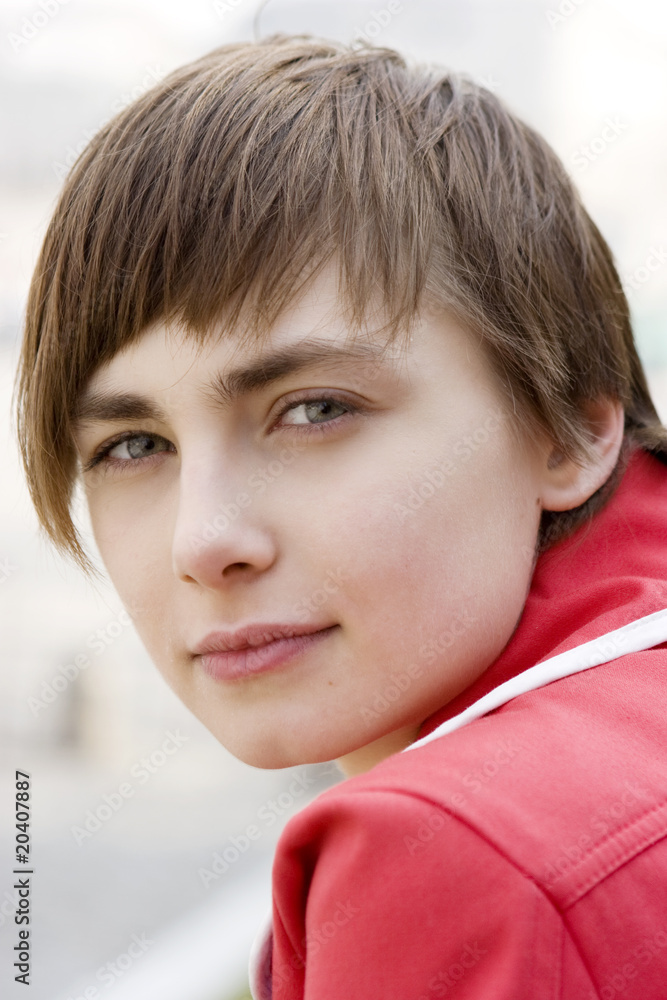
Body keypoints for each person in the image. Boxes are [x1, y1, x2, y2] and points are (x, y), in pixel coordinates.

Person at [14, 33, 667, 1000]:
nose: (204, 541)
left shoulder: (450, 851)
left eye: (315, 410)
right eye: (133, 445)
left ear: (569, 429)